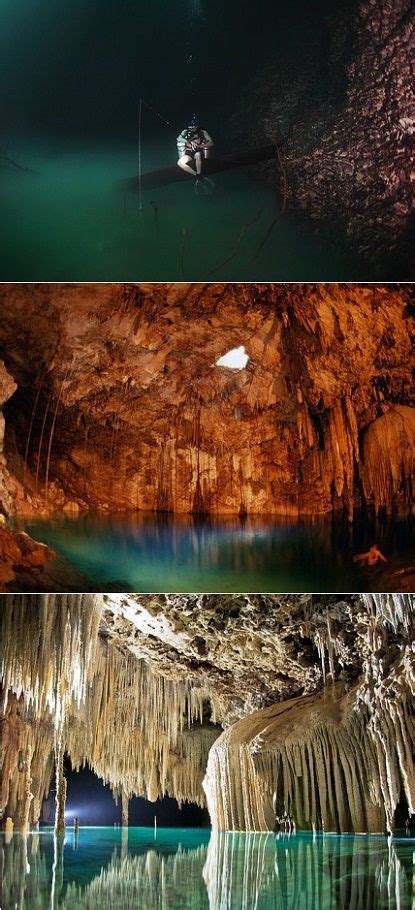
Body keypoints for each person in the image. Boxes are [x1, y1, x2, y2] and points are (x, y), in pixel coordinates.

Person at [177, 117, 214, 192]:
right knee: (180, 163)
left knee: (198, 155)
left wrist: (199, 146)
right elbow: (178, 138)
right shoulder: (185, 131)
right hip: (188, 153)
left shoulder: (202, 132)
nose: (191, 129)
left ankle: (199, 173)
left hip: (198, 151)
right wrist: (189, 141)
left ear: (196, 126)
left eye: (193, 127)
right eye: (190, 127)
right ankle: (197, 176)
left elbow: (211, 143)